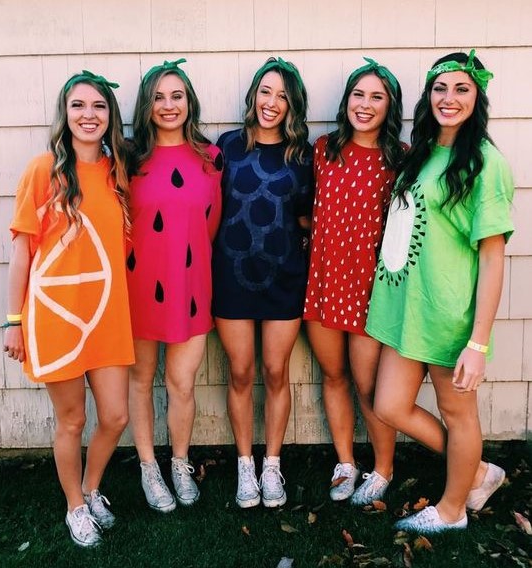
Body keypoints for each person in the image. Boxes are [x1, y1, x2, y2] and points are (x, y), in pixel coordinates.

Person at [366, 50, 513, 533]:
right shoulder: (424, 152)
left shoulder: (486, 164)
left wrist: (478, 343)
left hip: (450, 316)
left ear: (477, 96)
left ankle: (453, 511)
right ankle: (480, 472)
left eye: (462, 89)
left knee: (458, 414)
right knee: (388, 405)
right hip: (408, 310)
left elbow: (492, 258)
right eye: (440, 89)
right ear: (429, 97)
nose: (449, 99)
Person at [3, 70, 134, 547]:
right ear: (65, 114)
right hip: (55, 317)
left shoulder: (117, 172)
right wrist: (14, 320)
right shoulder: (44, 171)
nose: (88, 115)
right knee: (72, 420)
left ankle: (92, 488)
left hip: (106, 315)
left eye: (98, 106)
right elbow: (22, 252)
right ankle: (74, 507)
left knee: (116, 415)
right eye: (78, 106)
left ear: (110, 116)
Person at [303, 58, 405, 505]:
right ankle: (346, 461)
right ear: (346, 101)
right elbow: (308, 208)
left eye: (376, 97)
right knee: (333, 375)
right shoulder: (323, 148)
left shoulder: (399, 158)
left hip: (370, 288)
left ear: (389, 106)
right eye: (358, 95)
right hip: (325, 281)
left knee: (368, 386)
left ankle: (383, 468)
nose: (364, 105)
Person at [212, 57, 313, 508]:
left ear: (293, 105)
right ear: (253, 95)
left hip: (283, 278)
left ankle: (272, 466)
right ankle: (245, 467)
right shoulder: (226, 147)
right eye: (266, 92)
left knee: (276, 372)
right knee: (240, 372)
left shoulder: (302, 155)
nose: (272, 103)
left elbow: (308, 219)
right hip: (231, 278)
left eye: (283, 96)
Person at [126, 59, 222, 512]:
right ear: (147, 105)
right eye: (159, 97)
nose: (168, 105)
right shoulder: (128, 159)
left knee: (182, 383)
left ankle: (179, 462)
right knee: (141, 379)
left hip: (191, 284)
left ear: (189, 102)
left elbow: (212, 227)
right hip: (137, 286)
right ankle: (149, 467)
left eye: (176, 96)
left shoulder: (211, 158)